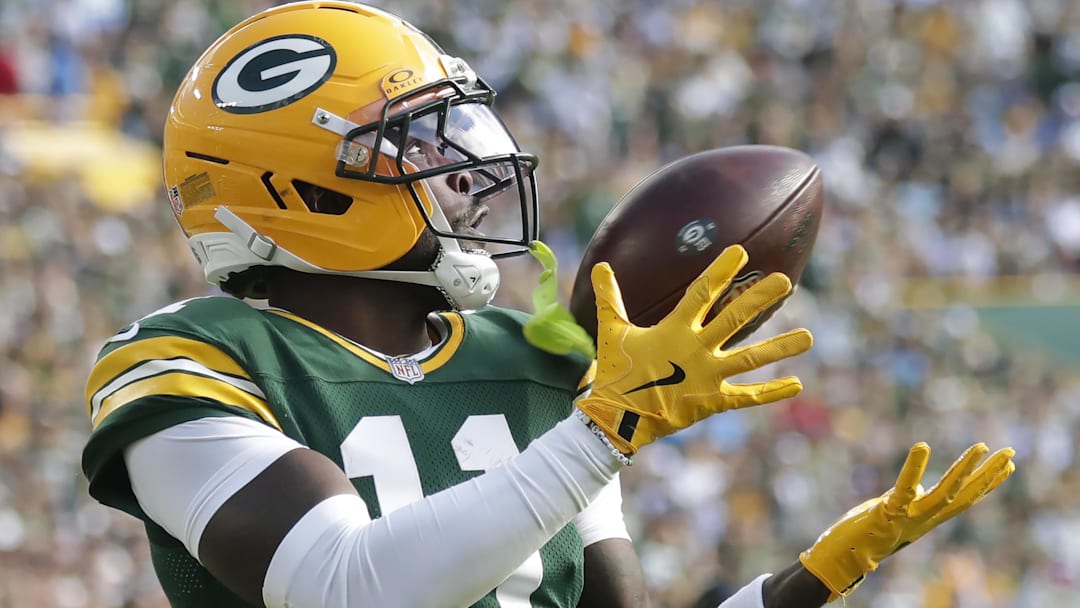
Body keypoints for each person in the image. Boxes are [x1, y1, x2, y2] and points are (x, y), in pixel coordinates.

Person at [81, 2, 1015, 607]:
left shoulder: (535, 362)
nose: (465, 175)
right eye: (413, 147)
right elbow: (346, 588)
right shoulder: (188, 361)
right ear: (301, 192)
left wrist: (809, 582)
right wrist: (602, 429)